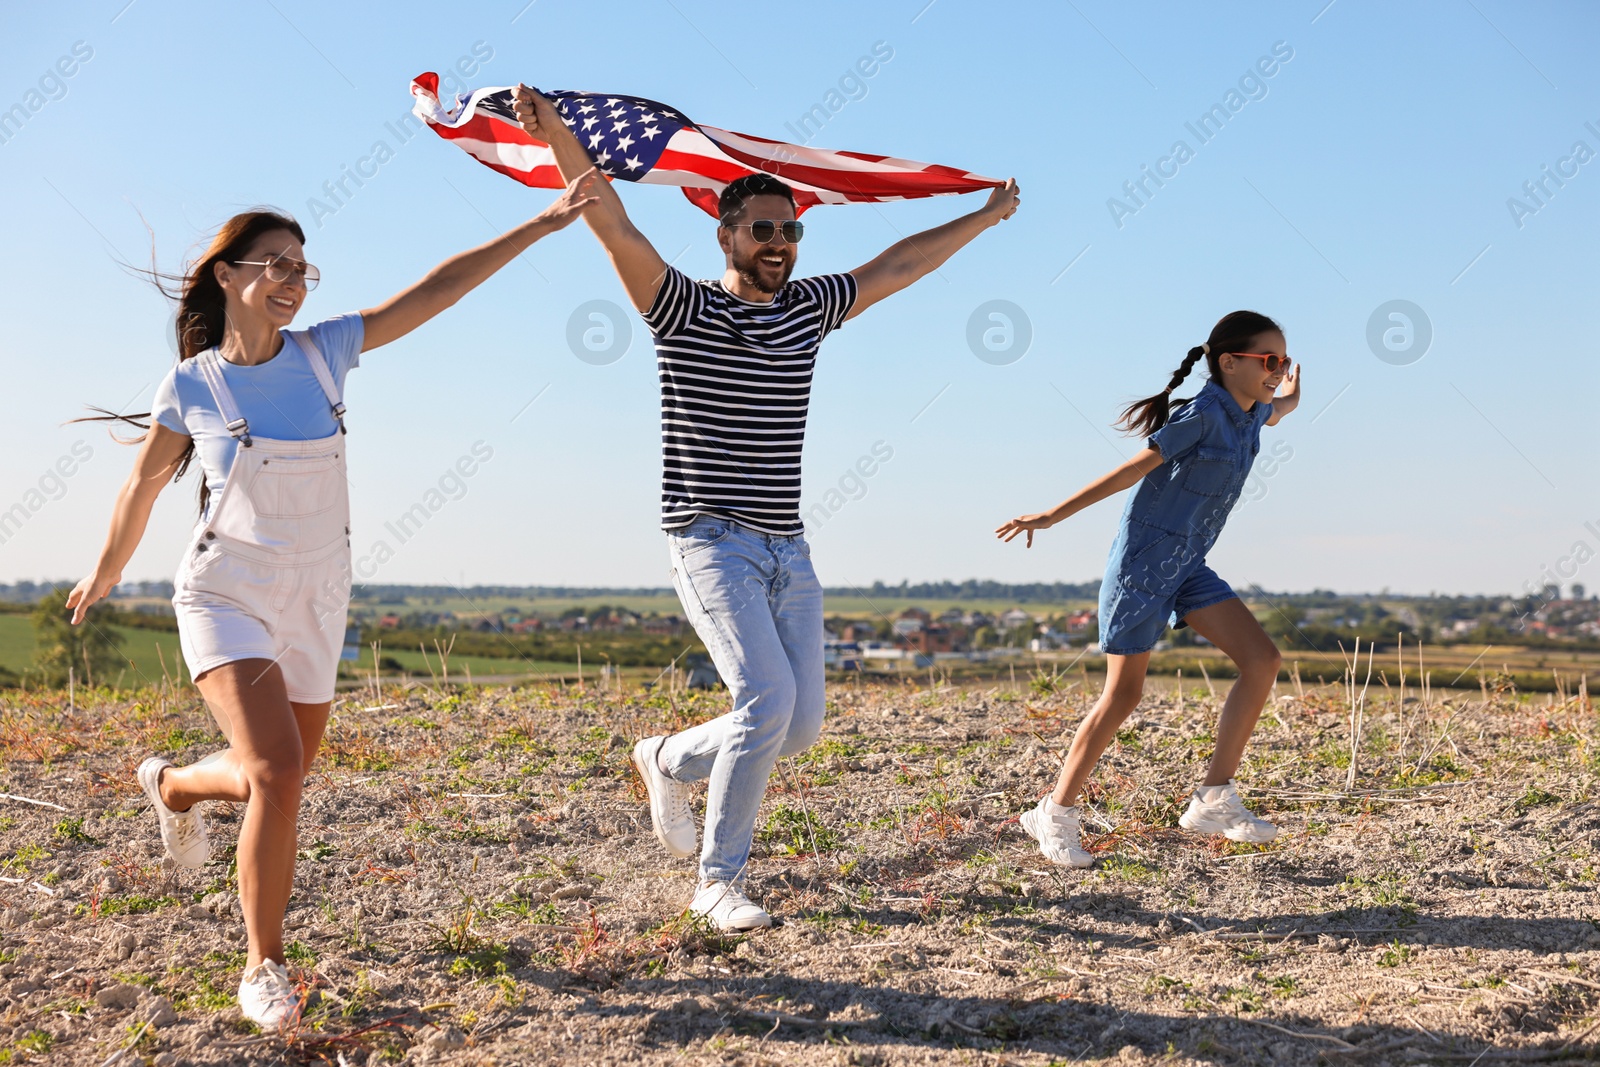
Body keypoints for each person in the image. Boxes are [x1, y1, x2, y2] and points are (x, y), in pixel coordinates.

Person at [65, 180, 595, 1028]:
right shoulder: (191, 385)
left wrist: (539, 222)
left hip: (317, 593)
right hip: (225, 593)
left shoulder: (326, 351)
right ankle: (263, 966)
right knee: (276, 771)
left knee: (281, 777)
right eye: (274, 263)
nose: (292, 278)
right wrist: (106, 569)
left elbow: (437, 291)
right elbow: (141, 484)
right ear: (226, 275)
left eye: (303, 268)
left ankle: (171, 786)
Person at [511, 83, 1019, 930]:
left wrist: (985, 217)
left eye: (791, 229)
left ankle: (666, 757)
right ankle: (718, 880)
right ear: (726, 234)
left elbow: (898, 265)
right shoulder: (682, 308)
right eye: (763, 229)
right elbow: (609, 219)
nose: (780, 242)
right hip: (710, 539)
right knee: (765, 700)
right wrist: (559, 134)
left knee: (801, 722)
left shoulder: (809, 310)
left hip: (789, 545)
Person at [995, 311, 1302, 867]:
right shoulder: (1202, 415)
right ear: (1229, 363)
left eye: (1283, 361)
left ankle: (1213, 798)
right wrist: (1051, 514)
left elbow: (1276, 412)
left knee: (1262, 660)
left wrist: (1289, 398)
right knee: (1124, 695)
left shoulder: (1251, 412)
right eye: (1269, 361)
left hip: (1188, 567)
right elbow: (1133, 469)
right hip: (1142, 568)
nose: (1278, 372)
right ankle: (1054, 812)